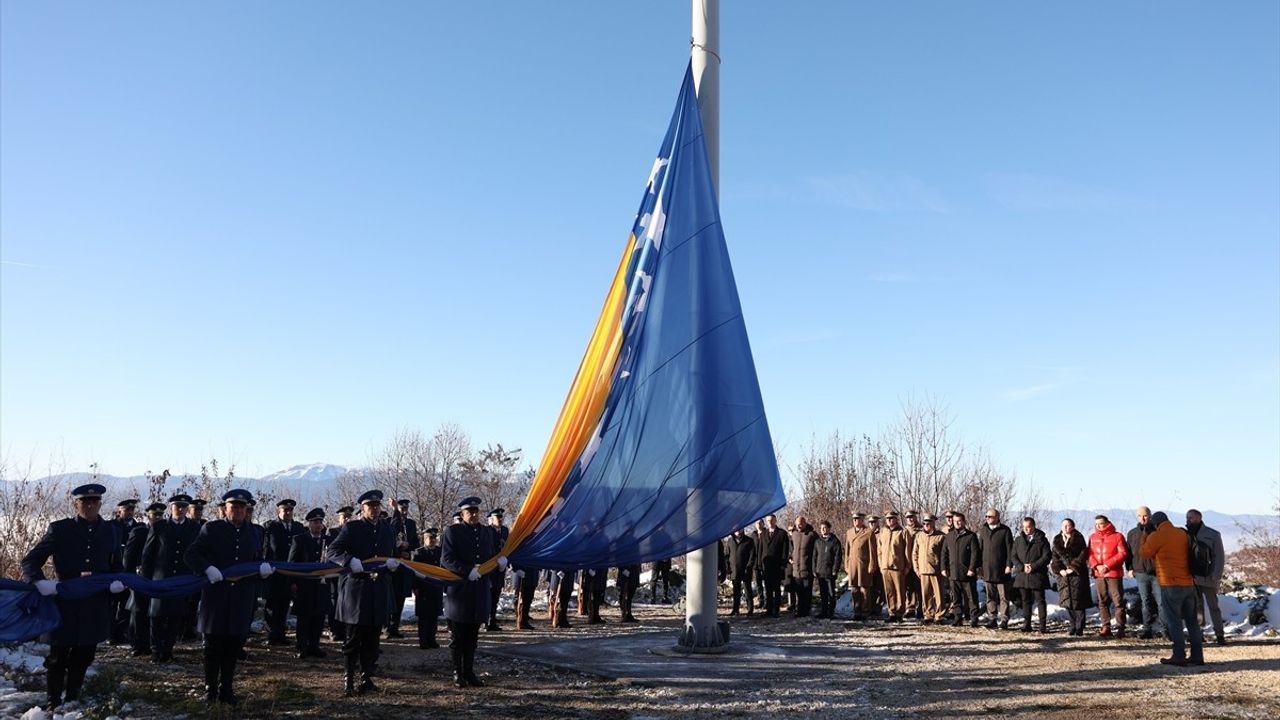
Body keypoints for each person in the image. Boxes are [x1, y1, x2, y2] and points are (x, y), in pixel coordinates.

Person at [21, 483, 125, 710]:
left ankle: (72, 700)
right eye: (84, 502)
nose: (89, 505)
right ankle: (53, 702)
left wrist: (118, 582)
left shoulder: (111, 531)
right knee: (58, 656)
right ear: (75, 504)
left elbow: (117, 565)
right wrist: (40, 582)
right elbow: (30, 561)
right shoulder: (60, 529)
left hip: (94, 603)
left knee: (84, 654)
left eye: (94, 502)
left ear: (99, 504)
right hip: (64, 602)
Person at [184, 488, 270, 707]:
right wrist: (207, 568)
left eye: (242, 507)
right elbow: (191, 555)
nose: (238, 511)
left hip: (242, 596)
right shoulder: (211, 529)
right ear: (224, 509)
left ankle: (227, 689)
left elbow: (257, 558)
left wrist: (262, 570)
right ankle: (210, 689)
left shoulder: (256, 532)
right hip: (216, 596)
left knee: (234, 645)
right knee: (213, 646)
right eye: (234, 507)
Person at [327, 489, 396, 696]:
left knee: (373, 640)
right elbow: (332, 552)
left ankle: (366, 678)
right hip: (357, 591)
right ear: (362, 508)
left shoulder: (386, 529)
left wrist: (391, 564)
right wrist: (349, 561)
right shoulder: (352, 528)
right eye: (370, 506)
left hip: (378, 590)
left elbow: (388, 553)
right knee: (353, 640)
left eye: (377, 506)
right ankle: (348, 680)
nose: (374, 509)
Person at [440, 496, 500, 688]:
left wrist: (497, 563)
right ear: (462, 514)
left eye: (475, 512)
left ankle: (469, 671)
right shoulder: (453, 532)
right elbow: (446, 560)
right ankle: (458, 673)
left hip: (479, 590)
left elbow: (490, 555)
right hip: (459, 591)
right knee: (457, 637)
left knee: (472, 637)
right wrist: (467, 570)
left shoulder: (486, 532)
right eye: (469, 512)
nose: (473, 515)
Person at [1140, 511, 1205, 666]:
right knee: (1192, 621)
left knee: (1174, 621)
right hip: (1188, 583)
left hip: (1170, 584)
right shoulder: (1181, 533)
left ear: (1155, 524)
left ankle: (1179, 655)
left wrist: (1145, 535)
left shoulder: (1156, 536)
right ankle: (1197, 655)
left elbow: (1144, 553)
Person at [141, 493, 199, 662]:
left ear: (187, 509)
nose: (180, 510)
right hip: (160, 578)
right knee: (157, 616)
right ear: (171, 508)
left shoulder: (194, 528)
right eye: (177, 506)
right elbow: (148, 555)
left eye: (183, 507)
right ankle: (155, 650)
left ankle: (168, 650)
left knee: (176, 615)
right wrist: (146, 579)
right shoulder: (159, 527)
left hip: (182, 579)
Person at [288, 508, 332, 659]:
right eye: (315, 522)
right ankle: (301, 646)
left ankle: (314, 645)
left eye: (320, 522)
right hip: (305, 584)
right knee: (304, 617)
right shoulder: (299, 539)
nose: (318, 525)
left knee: (319, 616)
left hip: (322, 585)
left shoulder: (328, 540)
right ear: (309, 524)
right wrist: (293, 582)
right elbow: (292, 563)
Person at [262, 498, 304, 645]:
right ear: (278, 511)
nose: (288, 513)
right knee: (272, 605)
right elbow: (266, 549)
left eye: (290, 510)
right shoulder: (270, 526)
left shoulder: (298, 528)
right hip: (274, 572)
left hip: (290, 572)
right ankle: (272, 634)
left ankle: (281, 634)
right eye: (285, 510)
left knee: (285, 603)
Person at [125, 503, 163, 657]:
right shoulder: (140, 532)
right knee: (137, 610)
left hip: (157, 577)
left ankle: (149, 643)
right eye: (155, 515)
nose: (158, 518)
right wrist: (128, 576)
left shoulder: (165, 531)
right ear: (149, 516)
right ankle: (137, 644)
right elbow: (128, 556)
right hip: (139, 576)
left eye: (160, 515)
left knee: (153, 612)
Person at [1186, 509, 1226, 645]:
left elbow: (1219, 556)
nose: (1188, 520)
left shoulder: (1213, 534)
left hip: (1209, 577)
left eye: (1190, 518)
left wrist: (1216, 574)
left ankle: (1219, 634)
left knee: (1213, 606)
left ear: (1198, 518)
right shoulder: (1186, 534)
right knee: (1197, 607)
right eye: (1187, 518)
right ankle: (1198, 634)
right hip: (1193, 577)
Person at [1126, 506, 1164, 639]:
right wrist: (1130, 568)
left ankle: (1166, 629)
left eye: (1145, 516)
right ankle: (1147, 628)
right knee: (1145, 601)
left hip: (1157, 573)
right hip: (1140, 573)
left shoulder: (1158, 532)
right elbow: (1128, 553)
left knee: (1161, 602)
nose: (1142, 519)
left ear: (1150, 516)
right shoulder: (1132, 533)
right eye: (1139, 516)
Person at [1050, 518, 1093, 636]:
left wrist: (1072, 567)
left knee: (1079, 601)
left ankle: (1080, 627)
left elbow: (1083, 554)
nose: (1066, 527)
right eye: (1064, 525)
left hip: (1077, 574)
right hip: (1063, 575)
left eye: (1068, 525)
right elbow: (1054, 557)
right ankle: (1073, 625)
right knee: (1067, 600)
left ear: (1073, 527)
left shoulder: (1079, 538)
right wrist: (1060, 570)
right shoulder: (1057, 539)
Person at [1088, 514, 1128, 638]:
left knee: (1118, 601)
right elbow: (1089, 554)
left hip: (1114, 573)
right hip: (1099, 573)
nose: (1099, 526)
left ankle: (1121, 627)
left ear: (1107, 523)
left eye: (1101, 523)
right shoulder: (1092, 537)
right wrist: (1096, 565)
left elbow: (1123, 553)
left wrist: (1107, 565)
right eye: (1097, 524)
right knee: (1102, 601)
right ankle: (1106, 626)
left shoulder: (1118, 536)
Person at [1010, 517, 1051, 633]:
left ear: (1033, 526)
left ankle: (1042, 626)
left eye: (1028, 527)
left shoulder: (1042, 540)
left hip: (1037, 575)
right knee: (1025, 600)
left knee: (1040, 600)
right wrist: (1022, 567)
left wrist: (1033, 566)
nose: (1026, 529)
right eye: (1024, 527)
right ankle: (1026, 624)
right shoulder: (1018, 540)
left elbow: (1046, 556)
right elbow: (1013, 556)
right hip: (1023, 575)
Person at [108, 498, 139, 645]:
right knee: (112, 605)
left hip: (130, 571)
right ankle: (111, 633)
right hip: (113, 570)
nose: (130, 512)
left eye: (132, 510)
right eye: (127, 510)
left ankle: (122, 632)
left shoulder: (139, 527)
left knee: (127, 604)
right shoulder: (110, 527)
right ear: (119, 511)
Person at [386, 499, 419, 638]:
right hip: (393, 566)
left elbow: (416, 542)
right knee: (390, 597)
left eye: (405, 509)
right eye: (401, 509)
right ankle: (387, 626)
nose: (404, 511)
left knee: (400, 598)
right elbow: (389, 539)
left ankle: (395, 626)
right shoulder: (390, 521)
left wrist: (409, 549)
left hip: (405, 565)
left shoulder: (411, 524)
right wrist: (399, 549)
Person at [941, 512, 980, 626]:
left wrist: (972, 568)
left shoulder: (971, 536)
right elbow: (944, 553)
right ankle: (958, 618)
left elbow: (975, 553)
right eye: (955, 521)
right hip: (953, 572)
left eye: (959, 521)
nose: (957, 523)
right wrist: (943, 568)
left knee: (972, 597)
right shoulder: (949, 536)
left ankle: (974, 618)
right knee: (956, 597)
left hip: (967, 573)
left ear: (964, 522)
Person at [977, 509, 1014, 630]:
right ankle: (992, 618)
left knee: (1004, 597)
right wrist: (979, 566)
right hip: (987, 569)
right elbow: (980, 549)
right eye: (986, 516)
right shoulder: (983, 530)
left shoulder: (1005, 530)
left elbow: (1010, 550)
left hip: (1002, 570)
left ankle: (1004, 620)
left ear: (997, 517)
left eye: (989, 516)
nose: (987, 518)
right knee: (990, 597)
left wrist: (1009, 565)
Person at [411, 527, 445, 646]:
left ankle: (432, 639)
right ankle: (423, 640)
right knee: (424, 616)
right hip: (423, 587)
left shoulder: (440, 551)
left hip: (436, 586)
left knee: (434, 615)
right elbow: (414, 571)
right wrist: (415, 587)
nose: (432, 540)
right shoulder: (419, 553)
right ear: (424, 539)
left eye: (434, 538)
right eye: (430, 538)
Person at [911, 514, 946, 624]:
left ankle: (939, 615)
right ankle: (928, 615)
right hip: (923, 570)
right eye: (925, 523)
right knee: (926, 594)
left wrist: (943, 568)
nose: (926, 525)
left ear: (933, 523)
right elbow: (914, 553)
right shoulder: (919, 536)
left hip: (936, 570)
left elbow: (945, 555)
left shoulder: (941, 536)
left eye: (929, 523)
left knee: (939, 594)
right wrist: (916, 568)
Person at [843, 513, 878, 621]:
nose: (855, 521)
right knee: (854, 589)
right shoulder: (849, 532)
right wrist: (846, 564)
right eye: (854, 519)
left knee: (864, 589)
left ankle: (865, 611)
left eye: (858, 519)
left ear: (862, 520)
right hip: (853, 564)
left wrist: (872, 564)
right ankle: (856, 611)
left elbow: (873, 551)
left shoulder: (868, 532)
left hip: (864, 565)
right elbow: (847, 550)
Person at [326, 505, 354, 642]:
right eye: (344, 517)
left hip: (349, 572)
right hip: (335, 572)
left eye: (349, 517)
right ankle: (334, 629)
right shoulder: (333, 532)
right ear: (339, 518)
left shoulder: (354, 531)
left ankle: (345, 629)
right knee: (334, 600)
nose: (347, 519)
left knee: (347, 602)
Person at [758, 514, 790, 617]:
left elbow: (785, 550)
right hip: (766, 566)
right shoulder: (763, 534)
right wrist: (759, 564)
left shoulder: (782, 533)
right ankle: (769, 610)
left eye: (772, 520)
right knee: (767, 589)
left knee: (776, 589)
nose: (770, 522)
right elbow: (760, 550)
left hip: (777, 566)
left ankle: (776, 610)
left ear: (775, 521)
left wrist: (783, 564)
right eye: (768, 521)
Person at [812, 520, 843, 619]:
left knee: (831, 593)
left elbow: (838, 557)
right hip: (820, 572)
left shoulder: (835, 541)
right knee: (823, 593)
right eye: (821, 528)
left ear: (829, 528)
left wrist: (835, 569)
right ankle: (823, 611)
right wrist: (814, 569)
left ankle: (831, 612)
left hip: (830, 572)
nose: (823, 530)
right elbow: (814, 556)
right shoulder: (818, 541)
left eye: (825, 528)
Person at [485, 508, 509, 631]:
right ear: (491, 519)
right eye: (497, 518)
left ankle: (492, 620)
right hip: (490, 568)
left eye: (501, 518)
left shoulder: (505, 530)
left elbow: (507, 546)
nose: (499, 520)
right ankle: (487, 621)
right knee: (488, 595)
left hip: (501, 568)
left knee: (496, 595)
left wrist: (506, 561)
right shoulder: (487, 531)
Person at [788, 515, 817, 617]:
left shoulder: (812, 535)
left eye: (801, 523)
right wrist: (790, 557)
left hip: (807, 569)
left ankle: (806, 610)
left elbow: (816, 550)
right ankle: (800, 611)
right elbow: (791, 549)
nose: (799, 525)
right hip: (796, 569)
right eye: (797, 524)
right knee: (799, 592)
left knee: (807, 591)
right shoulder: (794, 534)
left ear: (805, 523)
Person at [728, 527, 757, 616]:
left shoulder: (749, 540)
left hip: (745, 570)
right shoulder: (730, 541)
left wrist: (748, 567)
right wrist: (728, 568)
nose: (738, 531)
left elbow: (752, 556)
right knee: (736, 591)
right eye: (736, 529)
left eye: (740, 529)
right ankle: (735, 609)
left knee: (747, 590)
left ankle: (750, 609)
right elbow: (727, 555)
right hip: (734, 570)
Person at [903, 510, 923, 619]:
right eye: (908, 517)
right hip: (906, 563)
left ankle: (921, 608)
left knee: (919, 587)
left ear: (915, 517)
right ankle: (910, 607)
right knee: (909, 588)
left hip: (919, 563)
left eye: (912, 517)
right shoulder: (904, 530)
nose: (910, 519)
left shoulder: (921, 530)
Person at [511, 555, 540, 630]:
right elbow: (513, 554)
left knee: (528, 598)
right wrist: (516, 568)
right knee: (519, 599)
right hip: (521, 572)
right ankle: (520, 619)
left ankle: (524, 619)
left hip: (532, 572)